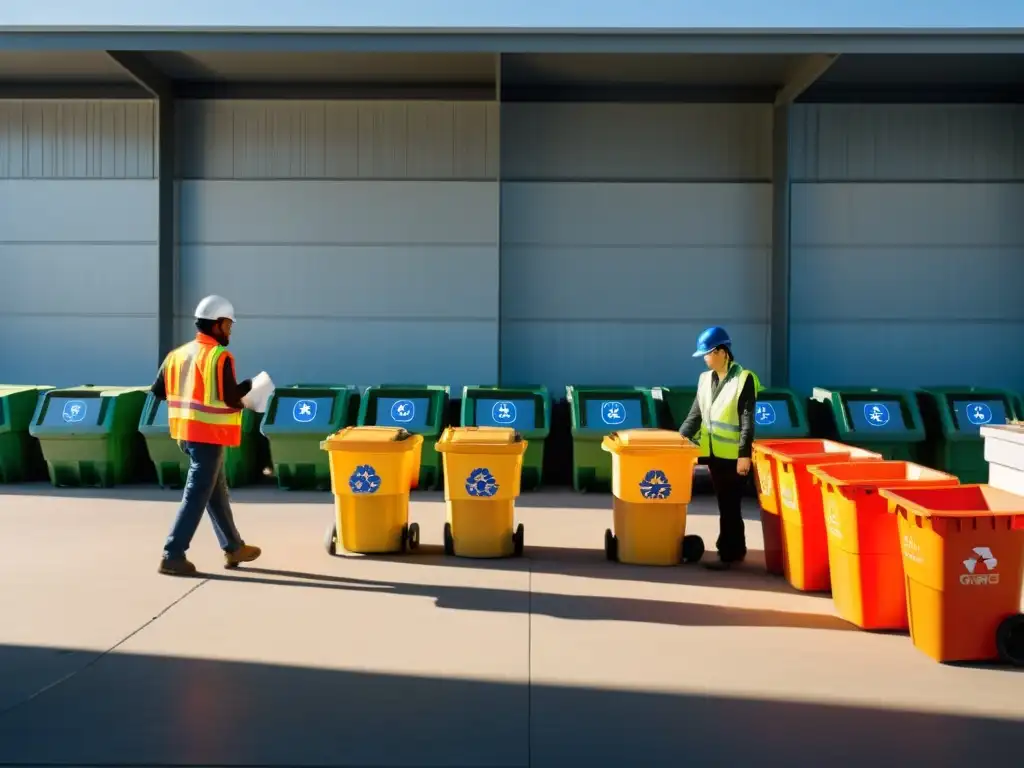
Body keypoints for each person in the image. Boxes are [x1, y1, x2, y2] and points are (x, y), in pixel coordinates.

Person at [151, 295, 262, 576]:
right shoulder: (219, 356)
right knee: (197, 494)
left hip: (186, 436)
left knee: (214, 491)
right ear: (217, 325)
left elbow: (158, 390)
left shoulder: (176, 355)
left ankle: (234, 546)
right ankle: (172, 554)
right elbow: (230, 397)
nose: (230, 331)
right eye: (228, 325)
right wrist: (252, 387)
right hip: (208, 435)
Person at [678, 326, 757, 571]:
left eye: (707, 353)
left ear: (722, 352)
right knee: (725, 503)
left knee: (730, 505)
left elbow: (747, 420)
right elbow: (695, 415)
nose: (704, 358)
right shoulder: (705, 379)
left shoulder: (744, 379)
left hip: (733, 456)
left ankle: (729, 554)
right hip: (712, 454)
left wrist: (744, 456)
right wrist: (676, 442)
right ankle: (735, 550)